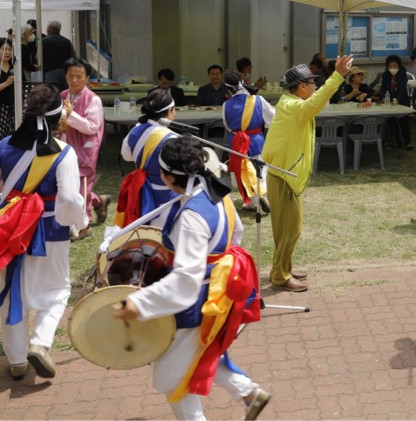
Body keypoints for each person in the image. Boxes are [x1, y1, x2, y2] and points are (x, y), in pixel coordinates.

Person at [112, 136, 270, 421]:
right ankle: (248, 393)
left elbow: (186, 279)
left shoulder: (192, 216)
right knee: (199, 354)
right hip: (217, 294)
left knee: (175, 378)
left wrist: (140, 302)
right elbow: (234, 238)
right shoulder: (216, 194)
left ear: (170, 177)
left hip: (195, 303)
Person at [0, 84, 85, 379]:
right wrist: (77, 222)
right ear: (57, 117)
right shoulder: (64, 153)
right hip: (50, 230)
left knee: (13, 292)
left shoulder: (5, 145)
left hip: (10, 229)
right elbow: (71, 200)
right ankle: (40, 342)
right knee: (57, 289)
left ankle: (17, 360)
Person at [263, 56, 352, 292]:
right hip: (283, 176)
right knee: (289, 229)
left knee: (287, 228)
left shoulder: (291, 103)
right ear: (302, 87)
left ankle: (283, 269)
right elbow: (316, 103)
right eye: (313, 83)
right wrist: (337, 76)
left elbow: (314, 103)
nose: (316, 87)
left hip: (285, 175)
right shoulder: (293, 106)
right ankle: (280, 276)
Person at [117, 87, 179, 228]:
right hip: (167, 198)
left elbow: (126, 156)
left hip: (141, 194)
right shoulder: (172, 138)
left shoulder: (136, 130)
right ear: (169, 111)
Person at [59, 57, 107, 229]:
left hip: (84, 148)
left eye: (79, 76)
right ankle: (99, 201)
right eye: (70, 75)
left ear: (87, 78)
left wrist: (71, 115)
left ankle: (83, 223)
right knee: (66, 184)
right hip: (64, 145)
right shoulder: (63, 95)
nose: (74, 80)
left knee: (82, 185)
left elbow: (92, 127)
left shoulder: (93, 99)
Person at [223, 71, 276, 211]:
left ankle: (253, 201)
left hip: (236, 142)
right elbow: (273, 117)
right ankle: (262, 194)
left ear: (228, 89)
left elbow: (228, 126)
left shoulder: (226, 105)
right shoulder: (257, 100)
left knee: (243, 170)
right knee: (260, 169)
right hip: (256, 140)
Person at [378, 54, 413, 149]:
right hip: (389, 101)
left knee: (404, 121)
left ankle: (408, 141)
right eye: (391, 66)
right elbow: (384, 88)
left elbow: (402, 89)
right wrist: (384, 97)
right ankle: (397, 142)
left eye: (395, 66)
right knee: (392, 121)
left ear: (399, 66)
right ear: (387, 67)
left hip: (402, 100)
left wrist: (397, 99)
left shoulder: (402, 74)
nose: (393, 68)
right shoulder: (385, 75)